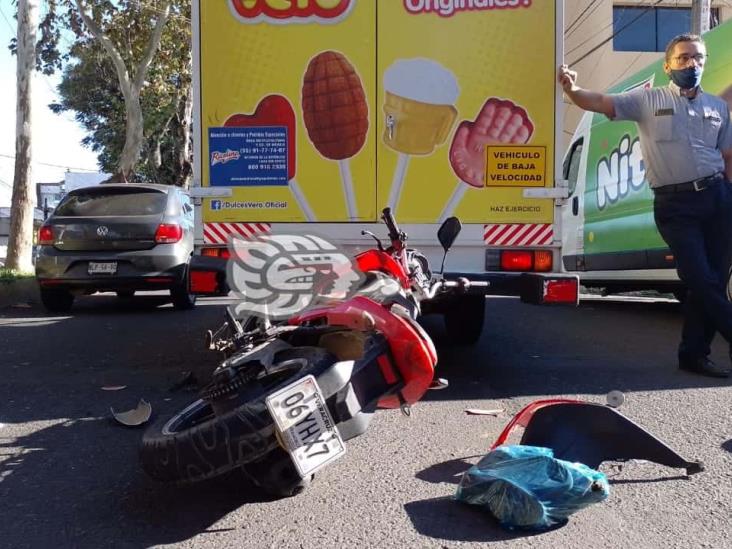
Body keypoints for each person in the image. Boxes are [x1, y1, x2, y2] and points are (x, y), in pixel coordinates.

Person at [558, 33, 732, 378]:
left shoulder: (718, 107)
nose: (691, 64)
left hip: (717, 199)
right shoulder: (647, 101)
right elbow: (600, 102)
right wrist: (571, 90)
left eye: (697, 58)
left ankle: (693, 355)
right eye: (683, 58)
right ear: (668, 65)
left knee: (712, 278)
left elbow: (726, 156)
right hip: (675, 205)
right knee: (699, 277)